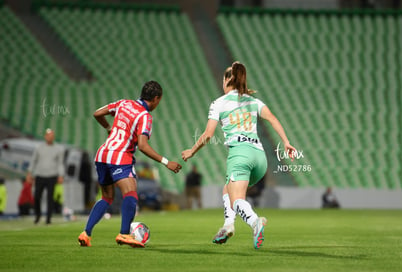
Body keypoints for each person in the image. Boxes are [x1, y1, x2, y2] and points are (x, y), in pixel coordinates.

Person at [182, 62, 296, 249]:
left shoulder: (219, 103)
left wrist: (192, 150)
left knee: (237, 201)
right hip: (259, 158)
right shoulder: (253, 101)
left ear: (228, 80)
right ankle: (228, 226)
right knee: (227, 190)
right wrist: (286, 142)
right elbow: (273, 119)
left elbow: (208, 134)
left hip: (240, 155)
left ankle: (254, 222)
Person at [78, 80, 182, 248]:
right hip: (120, 156)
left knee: (107, 197)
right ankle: (124, 233)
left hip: (102, 154)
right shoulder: (145, 116)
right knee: (131, 192)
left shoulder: (123, 103)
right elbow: (142, 145)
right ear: (156, 99)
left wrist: (108, 128)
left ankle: (86, 233)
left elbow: (97, 113)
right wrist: (166, 161)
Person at [27, 128, 65, 224]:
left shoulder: (58, 149)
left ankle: (48, 218)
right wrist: (29, 173)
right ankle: (38, 215)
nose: (50, 138)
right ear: (45, 136)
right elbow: (33, 161)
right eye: (48, 136)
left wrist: (61, 175)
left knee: (50, 198)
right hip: (40, 175)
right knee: (36, 197)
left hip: (52, 176)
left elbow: (60, 163)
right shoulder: (39, 148)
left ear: (54, 137)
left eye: (52, 136)